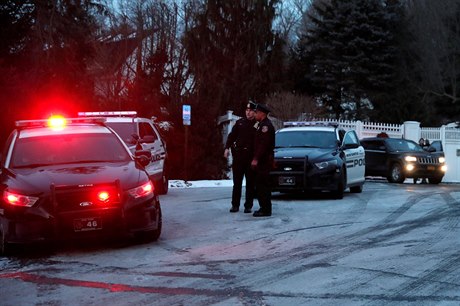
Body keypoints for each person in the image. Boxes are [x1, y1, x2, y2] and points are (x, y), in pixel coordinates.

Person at [224, 101, 258, 213]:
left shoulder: (257, 124)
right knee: (237, 182)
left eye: (251, 111)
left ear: (254, 112)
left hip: (250, 157)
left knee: (250, 183)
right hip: (239, 156)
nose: (248, 113)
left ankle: (248, 205)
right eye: (247, 110)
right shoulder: (240, 123)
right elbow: (231, 136)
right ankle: (235, 205)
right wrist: (227, 148)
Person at [251, 103, 275, 217]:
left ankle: (265, 209)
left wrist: (256, 158)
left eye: (256, 112)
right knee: (260, 184)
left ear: (262, 113)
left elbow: (263, 145)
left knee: (263, 185)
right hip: (262, 160)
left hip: (264, 160)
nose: (254, 114)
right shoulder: (260, 124)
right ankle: (264, 207)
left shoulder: (266, 126)